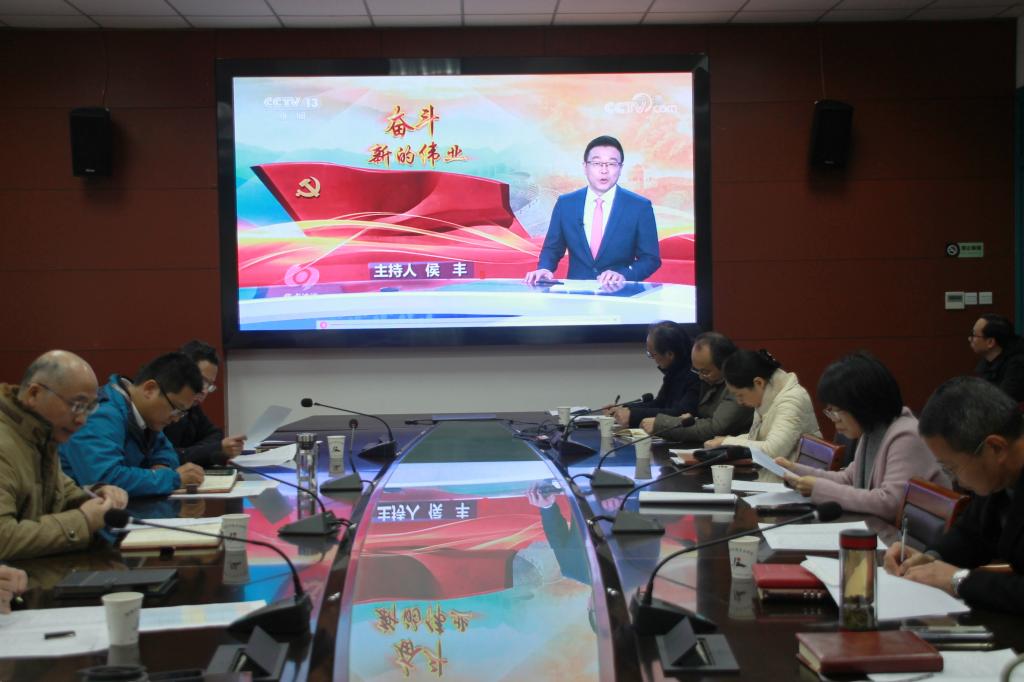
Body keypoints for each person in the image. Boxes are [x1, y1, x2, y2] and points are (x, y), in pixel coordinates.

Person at [884, 376, 1024, 614]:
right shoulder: (998, 474)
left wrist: (958, 580)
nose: (955, 480)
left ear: (995, 448)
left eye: (951, 468)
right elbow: (972, 533)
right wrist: (930, 557)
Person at [774, 352, 948, 523]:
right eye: (830, 411)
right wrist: (795, 471)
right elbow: (849, 479)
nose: (834, 419)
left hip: (905, 540)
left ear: (862, 404)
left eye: (837, 410)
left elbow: (889, 503)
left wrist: (818, 488)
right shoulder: (872, 431)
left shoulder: (906, 436)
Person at [0, 351, 128, 560]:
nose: (82, 420)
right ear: (34, 394)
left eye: (89, 408)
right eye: (77, 405)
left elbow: (62, 492)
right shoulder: (7, 442)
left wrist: (98, 496)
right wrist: (83, 521)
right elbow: (3, 538)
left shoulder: (40, 434)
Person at [60, 352, 205, 497]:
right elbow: (105, 480)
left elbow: (165, 450)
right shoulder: (101, 415)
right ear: (150, 389)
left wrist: (162, 466)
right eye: (176, 409)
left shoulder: (146, 417)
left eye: (181, 413)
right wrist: (171, 479)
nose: (176, 419)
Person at [523, 135, 661, 287]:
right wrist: (544, 268)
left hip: (620, 294)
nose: (604, 170)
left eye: (611, 164)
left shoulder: (639, 207)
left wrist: (624, 274)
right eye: (596, 163)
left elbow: (650, 259)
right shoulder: (566, 204)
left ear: (620, 168)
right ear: (585, 167)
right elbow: (552, 248)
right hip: (577, 293)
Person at [706, 349, 821, 461]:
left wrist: (726, 442)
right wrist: (727, 441)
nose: (739, 402)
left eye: (740, 395)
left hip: (795, 473)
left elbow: (773, 451)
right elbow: (757, 438)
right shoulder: (767, 394)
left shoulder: (792, 400)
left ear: (758, 383)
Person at [639, 331, 754, 443]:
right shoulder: (708, 380)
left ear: (725, 365)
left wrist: (661, 424)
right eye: (696, 370)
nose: (700, 376)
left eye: (705, 372)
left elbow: (715, 428)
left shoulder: (739, 385)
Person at [163, 340, 246, 467]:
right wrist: (211, 450)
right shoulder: (159, 408)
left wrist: (192, 452)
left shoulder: (191, 407)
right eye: (202, 381)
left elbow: (216, 434)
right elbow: (162, 457)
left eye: (209, 385)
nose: (204, 391)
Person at [606, 321, 700, 429]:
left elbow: (681, 413)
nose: (653, 360)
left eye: (652, 354)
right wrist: (624, 408)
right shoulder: (674, 371)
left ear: (670, 354)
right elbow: (659, 403)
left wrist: (633, 415)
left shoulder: (696, 374)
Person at [970, 314, 1024, 401]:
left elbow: (1001, 402)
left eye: (974, 335)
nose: (970, 339)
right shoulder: (987, 359)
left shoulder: (1017, 365)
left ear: (990, 342)